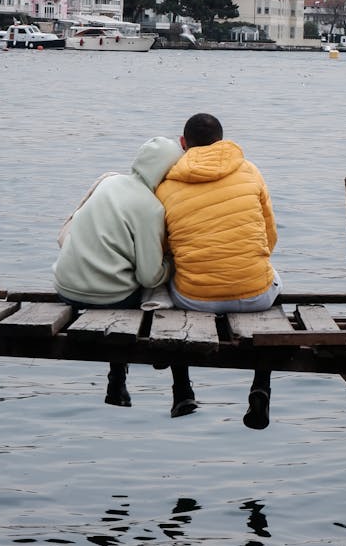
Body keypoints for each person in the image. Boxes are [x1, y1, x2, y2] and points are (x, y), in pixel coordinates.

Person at [156, 112, 281, 429]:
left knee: (168, 279)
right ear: (222, 142)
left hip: (194, 298)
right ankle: (261, 386)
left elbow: (164, 249)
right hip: (257, 296)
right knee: (273, 279)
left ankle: (182, 390)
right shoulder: (250, 170)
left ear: (183, 144)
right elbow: (270, 237)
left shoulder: (167, 183)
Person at [52, 136, 192, 411]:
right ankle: (180, 386)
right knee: (164, 289)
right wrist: (173, 263)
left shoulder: (109, 183)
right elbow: (149, 277)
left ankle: (117, 378)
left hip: (65, 288)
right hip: (108, 297)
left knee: (120, 276)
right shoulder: (150, 208)